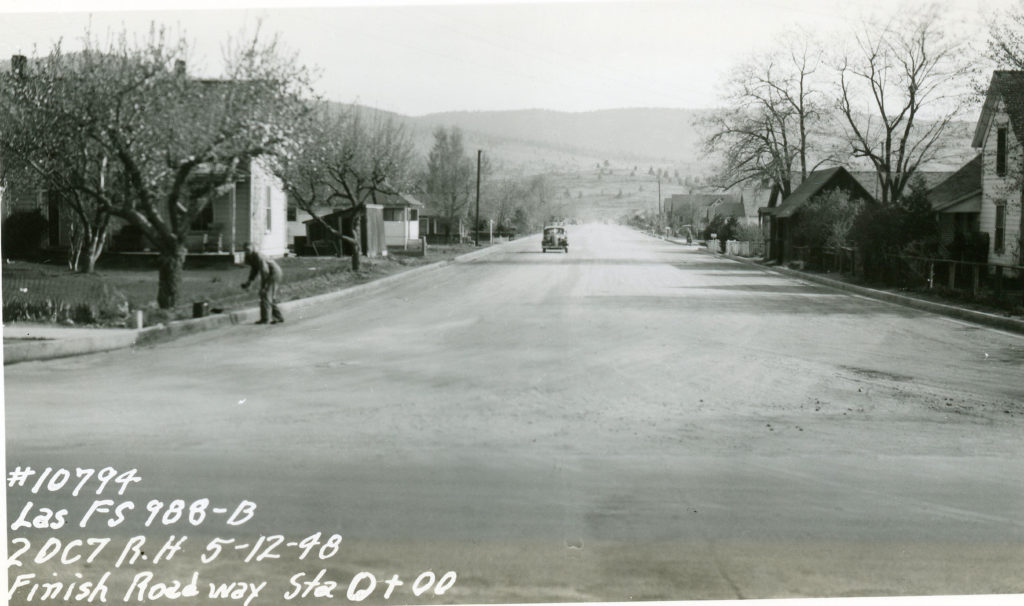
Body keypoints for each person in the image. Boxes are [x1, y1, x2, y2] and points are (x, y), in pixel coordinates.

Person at [240, 242, 284, 324]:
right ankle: (278, 317)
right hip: (268, 273)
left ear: (253, 249)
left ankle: (265, 319)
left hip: (274, 273)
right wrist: (249, 282)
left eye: (248, 249)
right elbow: (254, 270)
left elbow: (265, 271)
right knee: (268, 295)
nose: (246, 251)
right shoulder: (249, 257)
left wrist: (264, 286)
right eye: (245, 250)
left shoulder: (259, 256)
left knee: (266, 294)